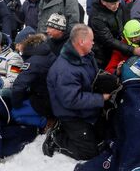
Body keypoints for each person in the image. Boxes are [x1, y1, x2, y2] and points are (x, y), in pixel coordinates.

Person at [45, 24, 109, 160]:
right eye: (91, 39)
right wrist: (100, 98)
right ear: (81, 41)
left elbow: (93, 76)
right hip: (71, 114)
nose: (93, 42)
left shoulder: (86, 55)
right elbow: (71, 100)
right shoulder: (65, 69)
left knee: (106, 137)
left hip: (86, 109)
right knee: (89, 152)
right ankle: (56, 138)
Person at [11, 13, 68, 129]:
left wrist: (15, 104)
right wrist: (13, 69)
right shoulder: (44, 51)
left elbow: (19, 85)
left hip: (46, 100)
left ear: (24, 43)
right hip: (54, 96)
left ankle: (47, 122)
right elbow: (28, 70)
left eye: (18, 44)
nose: (16, 48)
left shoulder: (34, 60)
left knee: (14, 114)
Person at [89, 0, 140, 68]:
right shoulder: (96, 16)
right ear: (103, 2)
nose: (117, 5)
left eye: (118, 2)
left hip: (119, 47)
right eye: (113, 3)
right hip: (102, 53)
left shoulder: (119, 7)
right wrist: (132, 50)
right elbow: (108, 40)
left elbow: (124, 25)